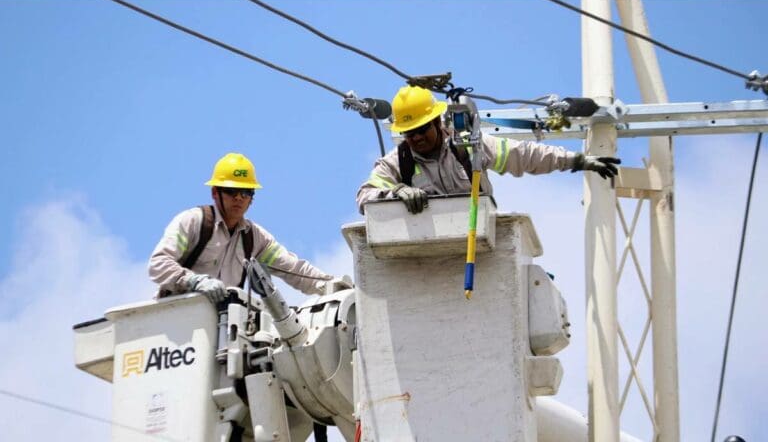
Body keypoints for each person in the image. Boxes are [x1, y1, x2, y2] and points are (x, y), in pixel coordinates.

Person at [356, 85, 621, 214]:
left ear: (437, 122)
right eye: (409, 133)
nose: (416, 138)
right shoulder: (396, 163)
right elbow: (364, 197)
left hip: (477, 241)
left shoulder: (469, 147)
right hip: (428, 251)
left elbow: (525, 155)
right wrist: (396, 191)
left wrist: (578, 160)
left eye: (422, 129)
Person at [149, 152, 347, 302]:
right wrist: (194, 281)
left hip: (219, 328)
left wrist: (331, 286)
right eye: (231, 191)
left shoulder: (254, 239)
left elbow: (294, 269)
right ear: (215, 193)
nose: (238, 198)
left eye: (245, 192)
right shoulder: (193, 222)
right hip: (178, 318)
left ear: (252, 198)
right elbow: (159, 264)